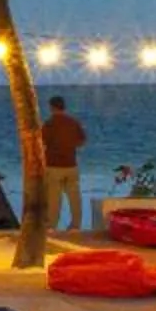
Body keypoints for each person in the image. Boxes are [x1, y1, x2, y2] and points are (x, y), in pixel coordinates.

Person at [41, 98, 88, 231]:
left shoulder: (49, 124)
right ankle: (75, 225)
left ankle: (51, 226)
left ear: (52, 107)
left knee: (54, 199)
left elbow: (42, 142)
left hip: (54, 165)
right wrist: (69, 146)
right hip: (71, 165)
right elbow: (82, 141)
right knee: (74, 198)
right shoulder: (73, 122)